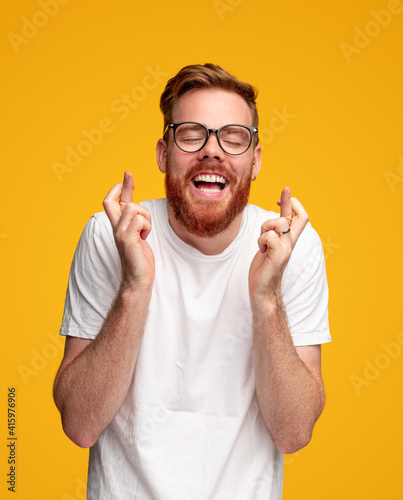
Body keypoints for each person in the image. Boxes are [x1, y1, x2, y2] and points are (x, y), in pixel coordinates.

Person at [53, 63, 331, 500]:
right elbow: (80, 425)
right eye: (191, 134)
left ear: (255, 160)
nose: (212, 151)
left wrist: (266, 300)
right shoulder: (112, 236)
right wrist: (134, 288)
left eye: (233, 137)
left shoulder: (291, 246)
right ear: (164, 153)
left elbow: (293, 432)